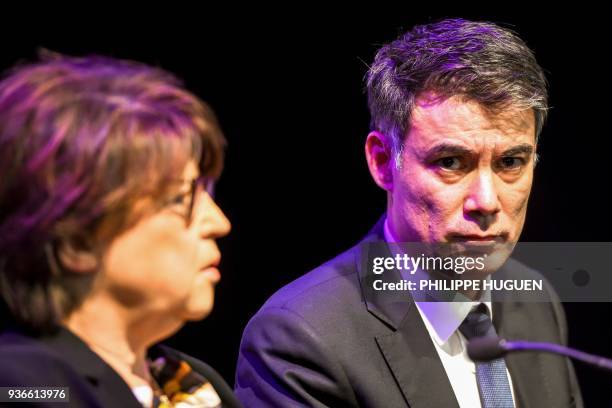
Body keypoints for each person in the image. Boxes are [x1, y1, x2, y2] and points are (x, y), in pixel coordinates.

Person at [234, 18, 583, 407]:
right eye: (450, 162)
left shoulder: (535, 299)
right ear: (383, 161)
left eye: (512, 161)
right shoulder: (301, 337)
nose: (486, 201)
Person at [0, 53, 241, 407]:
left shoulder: (191, 383)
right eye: (180, 198)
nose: (219, 223)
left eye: (207, 192)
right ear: (76, 241)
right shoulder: (22, 386)